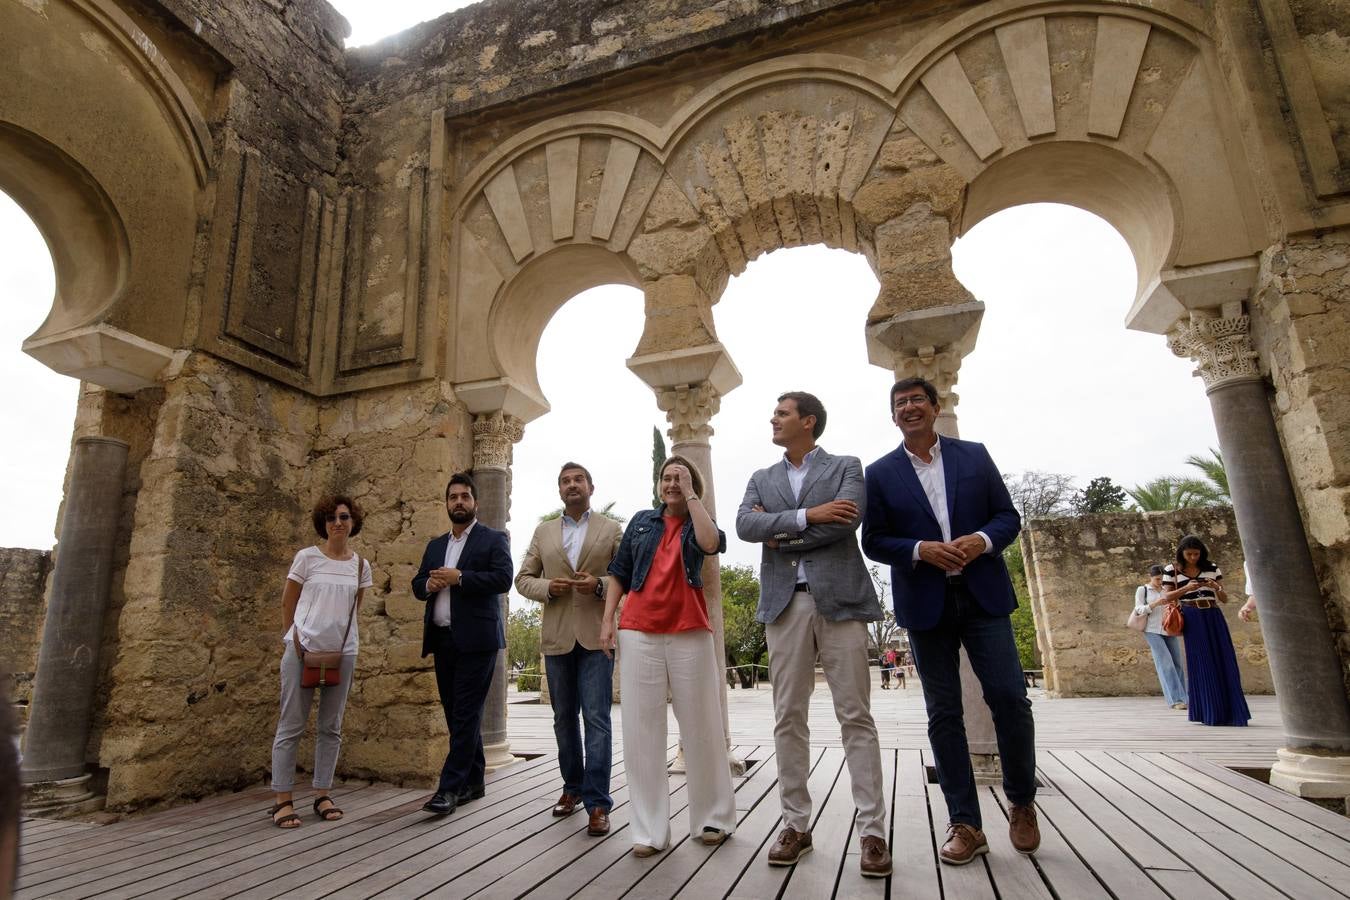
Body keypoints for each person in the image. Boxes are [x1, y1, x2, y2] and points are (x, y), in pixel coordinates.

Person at [861, 377, 1039, 865]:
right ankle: (965, 822)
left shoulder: (974, 456)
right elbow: (873, 540)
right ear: (892, 416)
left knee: (1009, 697)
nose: (909, 408)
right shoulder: (879, 473)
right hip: (925, 603)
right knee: (944, 713)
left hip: (983, 596)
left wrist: (982, 540)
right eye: (900, 404)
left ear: (936, 407)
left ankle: (1022, 802)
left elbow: (1008, 517)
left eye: (918, 399)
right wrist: (920, 550)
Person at [735, 392, 891, 877]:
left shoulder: (847, 465)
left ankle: (872, 833)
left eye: (781, 413)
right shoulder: (761, 477)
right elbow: (744, 525)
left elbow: (848, 520)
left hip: (840, 600)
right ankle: (796, 825)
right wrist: (809, 516)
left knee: (855, 716)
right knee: (788, 715)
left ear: (808, 421)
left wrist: (781, 533)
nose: (773, 419)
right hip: (785, 604)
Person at [600, 456, 736, 857]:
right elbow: (619, 572)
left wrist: (694, 498)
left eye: (680, 477)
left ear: (693, 484)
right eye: (666, 476)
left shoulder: (698, 522)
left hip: (690, 632)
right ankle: (648, 830)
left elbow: (712, 545)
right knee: (641, 733)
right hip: (639, 632)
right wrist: (609, 620)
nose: (671, 482)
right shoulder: (642, 521)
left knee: (702, 727)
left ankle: (713, 819)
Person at [515, 462, 622, 837]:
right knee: (563, 720)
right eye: (565, 481)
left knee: (597, 719)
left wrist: (598, 585)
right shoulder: (543, 532)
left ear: (591, 486)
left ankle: (598, 804)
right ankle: (571, 789)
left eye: (578, 479)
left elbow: (626, 577)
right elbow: (522, 579)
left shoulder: (610, 529)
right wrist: (548, 589)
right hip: (557, 637)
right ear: (559, 490)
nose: (571, 485)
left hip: (596, 637)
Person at [412, 473, 514, 815]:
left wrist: (461, 578)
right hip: (442, 640)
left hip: (477, 641)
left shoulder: (493, 539)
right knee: (456, 716)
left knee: (467, 714)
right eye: (453, 496)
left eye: (465, 496)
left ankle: (449, 789)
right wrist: (430, 583)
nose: (459, 501)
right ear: (447, 503)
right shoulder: (436, 545)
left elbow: (503, 579)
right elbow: (416, 585)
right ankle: (475, 781)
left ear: (475, 502)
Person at [269, 495, 372, 828]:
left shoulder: (360, 566)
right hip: (301, 652)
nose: (337, 523)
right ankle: (283, 800)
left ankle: (322, 793)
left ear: (353, 521)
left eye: (343, 517)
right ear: (323, 523)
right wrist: (294, 639)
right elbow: (288, 601)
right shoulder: (307, 559)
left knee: (331, 727)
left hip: (342, 654)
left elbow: (354, 609)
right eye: (330, 518)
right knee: (291, 725)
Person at [1160, 535, 1250, 727]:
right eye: (1189, 554)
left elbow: (1224, 599)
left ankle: (1232, 711)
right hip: (1192, 616)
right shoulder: (1171, 569)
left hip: (1213, 614)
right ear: (1181, 553)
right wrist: (1187, 588)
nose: (1192, 557)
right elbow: (1166, 597)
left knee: (1224, 658)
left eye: (1196, 554)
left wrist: (1216, 587)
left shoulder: (1212, 568)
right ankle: (1208, 711)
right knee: (1201, 661)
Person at [1133, 564, 1188, 709]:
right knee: (1166, 664)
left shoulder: (1167, 589)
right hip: (1151, 630)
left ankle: (1185, 698)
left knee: (1177, 663)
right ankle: (1176, 700)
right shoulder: (1143, 590)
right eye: (1157, 579)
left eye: (1162, 579)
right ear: (1150, 577)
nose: (1160, 582)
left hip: (1169, 628)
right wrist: (1155, 604)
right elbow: (1138, 609)